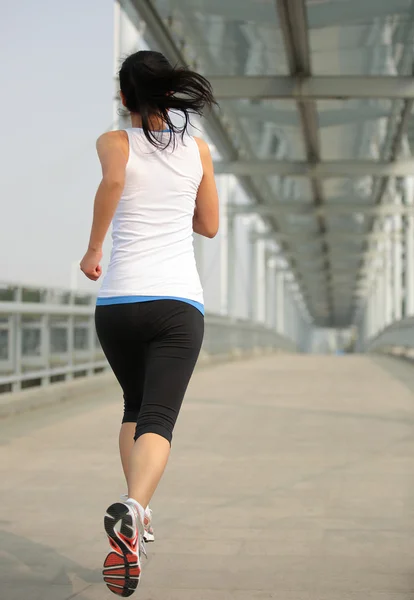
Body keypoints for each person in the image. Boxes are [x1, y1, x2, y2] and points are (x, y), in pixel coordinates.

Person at [80, 50, 219, 597]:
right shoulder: (199, 151)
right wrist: (176, 194)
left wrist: (93, 250)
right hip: (177, 304)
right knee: (158, 416)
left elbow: (114, 184)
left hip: (117, 304)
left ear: (124, 96)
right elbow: (208, 226)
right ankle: (134, 508)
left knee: (133, 407)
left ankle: (138, 510)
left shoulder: (113, 142)